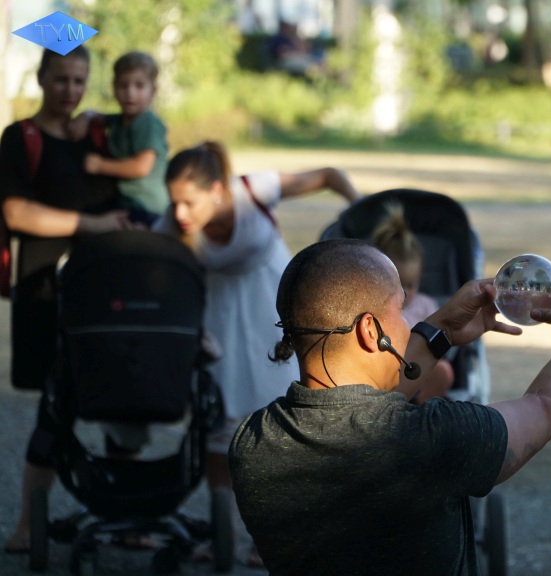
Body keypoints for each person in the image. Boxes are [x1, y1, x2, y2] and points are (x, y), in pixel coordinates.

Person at [229, 239, 551, 575]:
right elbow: (546, 408)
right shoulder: (428, 440)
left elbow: (363, 395)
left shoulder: (252, 444)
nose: (408, 321)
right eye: (401, 309)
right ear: (369, 331)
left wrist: (441, 328)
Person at [155, 141, 360, 566]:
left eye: (188, 202)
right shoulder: (174, 225)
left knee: (286, 418)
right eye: (173, 202)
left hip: (273, 307)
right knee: (219, 421)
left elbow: (326, 174)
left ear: (217, 189)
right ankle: (222, 531)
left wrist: (361, 209)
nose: (179, 213)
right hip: (219, 319)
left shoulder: (254, 190)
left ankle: (282, 535)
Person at [0, 46, 140, 554]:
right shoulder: (21, 138)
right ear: (40, 78)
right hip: (44, 289)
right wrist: (91, 224)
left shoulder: (98, 136)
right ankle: (25, 525)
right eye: (61, 79)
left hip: (103, 292)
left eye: (80, 80)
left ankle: (125, 519)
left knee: (119, 396)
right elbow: (16, 213)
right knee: (52, 408)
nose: (71, 90)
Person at [71, 51, 169, 224]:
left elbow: (141, 167)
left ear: (153, 91)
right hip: (126, 204)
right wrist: (85, 116)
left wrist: (100, 165)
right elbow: (97, 116)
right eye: (123, 85)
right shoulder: (119, 120)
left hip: (147, 208)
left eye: (139, 86)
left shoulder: (147, 122)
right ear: (114, 88)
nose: (130, 93)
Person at [371, 201, 454, 401]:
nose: (406, 293)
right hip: (383, 374)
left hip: (420, 372)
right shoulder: (375, 307)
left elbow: (439, 344)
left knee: (443, 370)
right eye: (399, 284)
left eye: (411, 285)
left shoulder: (426, 306)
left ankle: (418, 405)